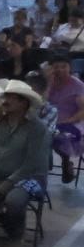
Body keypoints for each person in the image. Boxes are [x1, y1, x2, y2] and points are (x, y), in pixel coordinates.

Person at [0, 80, 51, 247]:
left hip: (31, 178)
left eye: (10, 97)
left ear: (24, 102)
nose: (5, 101)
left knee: (14, 199)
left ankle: (16, 235)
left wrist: (9, 182)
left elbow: (33, 163)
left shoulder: (37, 129)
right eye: (5, 96)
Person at [45, 54, 84, 182]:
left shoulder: (77, 85)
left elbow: (82, 110)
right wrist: (48, 83)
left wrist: (68, 121)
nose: (60, 70)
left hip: (72, 120)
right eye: (56, 67)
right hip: (49, 119)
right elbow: (41, 102)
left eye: (64, 66)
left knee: (60, 136)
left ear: (70, 68)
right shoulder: (48, 82)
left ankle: (66, 161)